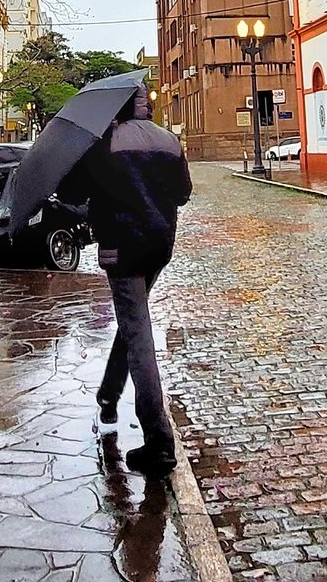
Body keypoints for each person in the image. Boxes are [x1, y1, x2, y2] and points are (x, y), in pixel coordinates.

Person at [58, 84, 191, 476]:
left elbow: (72, 194)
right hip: (159, 247)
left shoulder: (106, 143)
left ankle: (159, 443)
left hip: (122, 250)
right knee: (133, 324)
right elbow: (183, 193)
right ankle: (109, 394)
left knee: (138, 335)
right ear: (146, 106)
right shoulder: (169, 141)